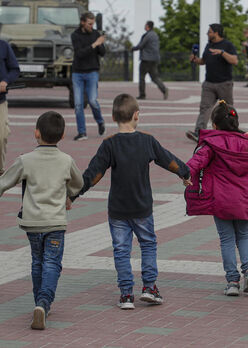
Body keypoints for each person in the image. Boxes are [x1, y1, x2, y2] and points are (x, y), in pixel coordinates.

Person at [71, 93, 191, 309]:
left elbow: (93, 174)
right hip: (142, 207)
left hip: (118, 209)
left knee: (121, 250)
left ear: (114, 117)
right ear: (137, 115)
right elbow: (167, 160)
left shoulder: (109, 144)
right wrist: (185, 172)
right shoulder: (147, 141)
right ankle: (149, 287)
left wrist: (72, 194)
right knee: (148, 244)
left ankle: (126, 294)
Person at [0, 111, 83, 330]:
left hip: (32, 223)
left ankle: (40, 303)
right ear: (63, 135)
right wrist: (68, 196)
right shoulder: (66, 160)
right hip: (55, 222)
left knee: (37, 261)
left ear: (36, 133)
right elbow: (78, 183)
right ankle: (44, 303)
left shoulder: (25, 160)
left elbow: (4, 182)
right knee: (52, 262)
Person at [185, 100, 248, 296]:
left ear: (214, 125)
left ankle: (232, 281)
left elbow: (197, 161)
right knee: (243, 236)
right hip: (245, 200)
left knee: (226, 239)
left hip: (221, 200)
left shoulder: (212, 143)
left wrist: (184, 174)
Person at [185, 23, 238, 143]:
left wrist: (222, 52)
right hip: (209, 83)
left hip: (224, 83)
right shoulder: (208, 45)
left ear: (216, 32)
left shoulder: (227, 45)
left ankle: (232, 133)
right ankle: (199, 133)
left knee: (228, 109)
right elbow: (203, 61)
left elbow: (234, 61)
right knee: (204, 108)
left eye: (209, 32)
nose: (207, 34)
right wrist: (195, 60)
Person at [71, 11, 106, 141]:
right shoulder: (75, 35)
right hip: (77, 73)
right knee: (78, 104)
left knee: (92, 101)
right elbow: (80, 53)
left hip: (92, 72)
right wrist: (95, 44)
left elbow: (102, 53)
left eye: (93, 24)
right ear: (83, 22)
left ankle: (100, 121)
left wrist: (101, 43)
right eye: (89, 24)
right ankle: (82, 132)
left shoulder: (96, 34)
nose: (92, 26)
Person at [132, 20, 168, 101]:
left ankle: (142, 95)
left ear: (148, 26)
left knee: (141, 77)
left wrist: (133, 49)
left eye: (145, 25)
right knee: (155, 77)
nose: (144, 26)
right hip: (154, 59)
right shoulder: (155, 35)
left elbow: (141, 45)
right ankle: (164, 90)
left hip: (146, 59)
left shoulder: (147, 35)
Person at [0, 39, 20, 175]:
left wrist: (5, 81)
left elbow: (15, 69)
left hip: (0, 102)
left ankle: (0, 170)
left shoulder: (3, 45)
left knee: (1, 136)